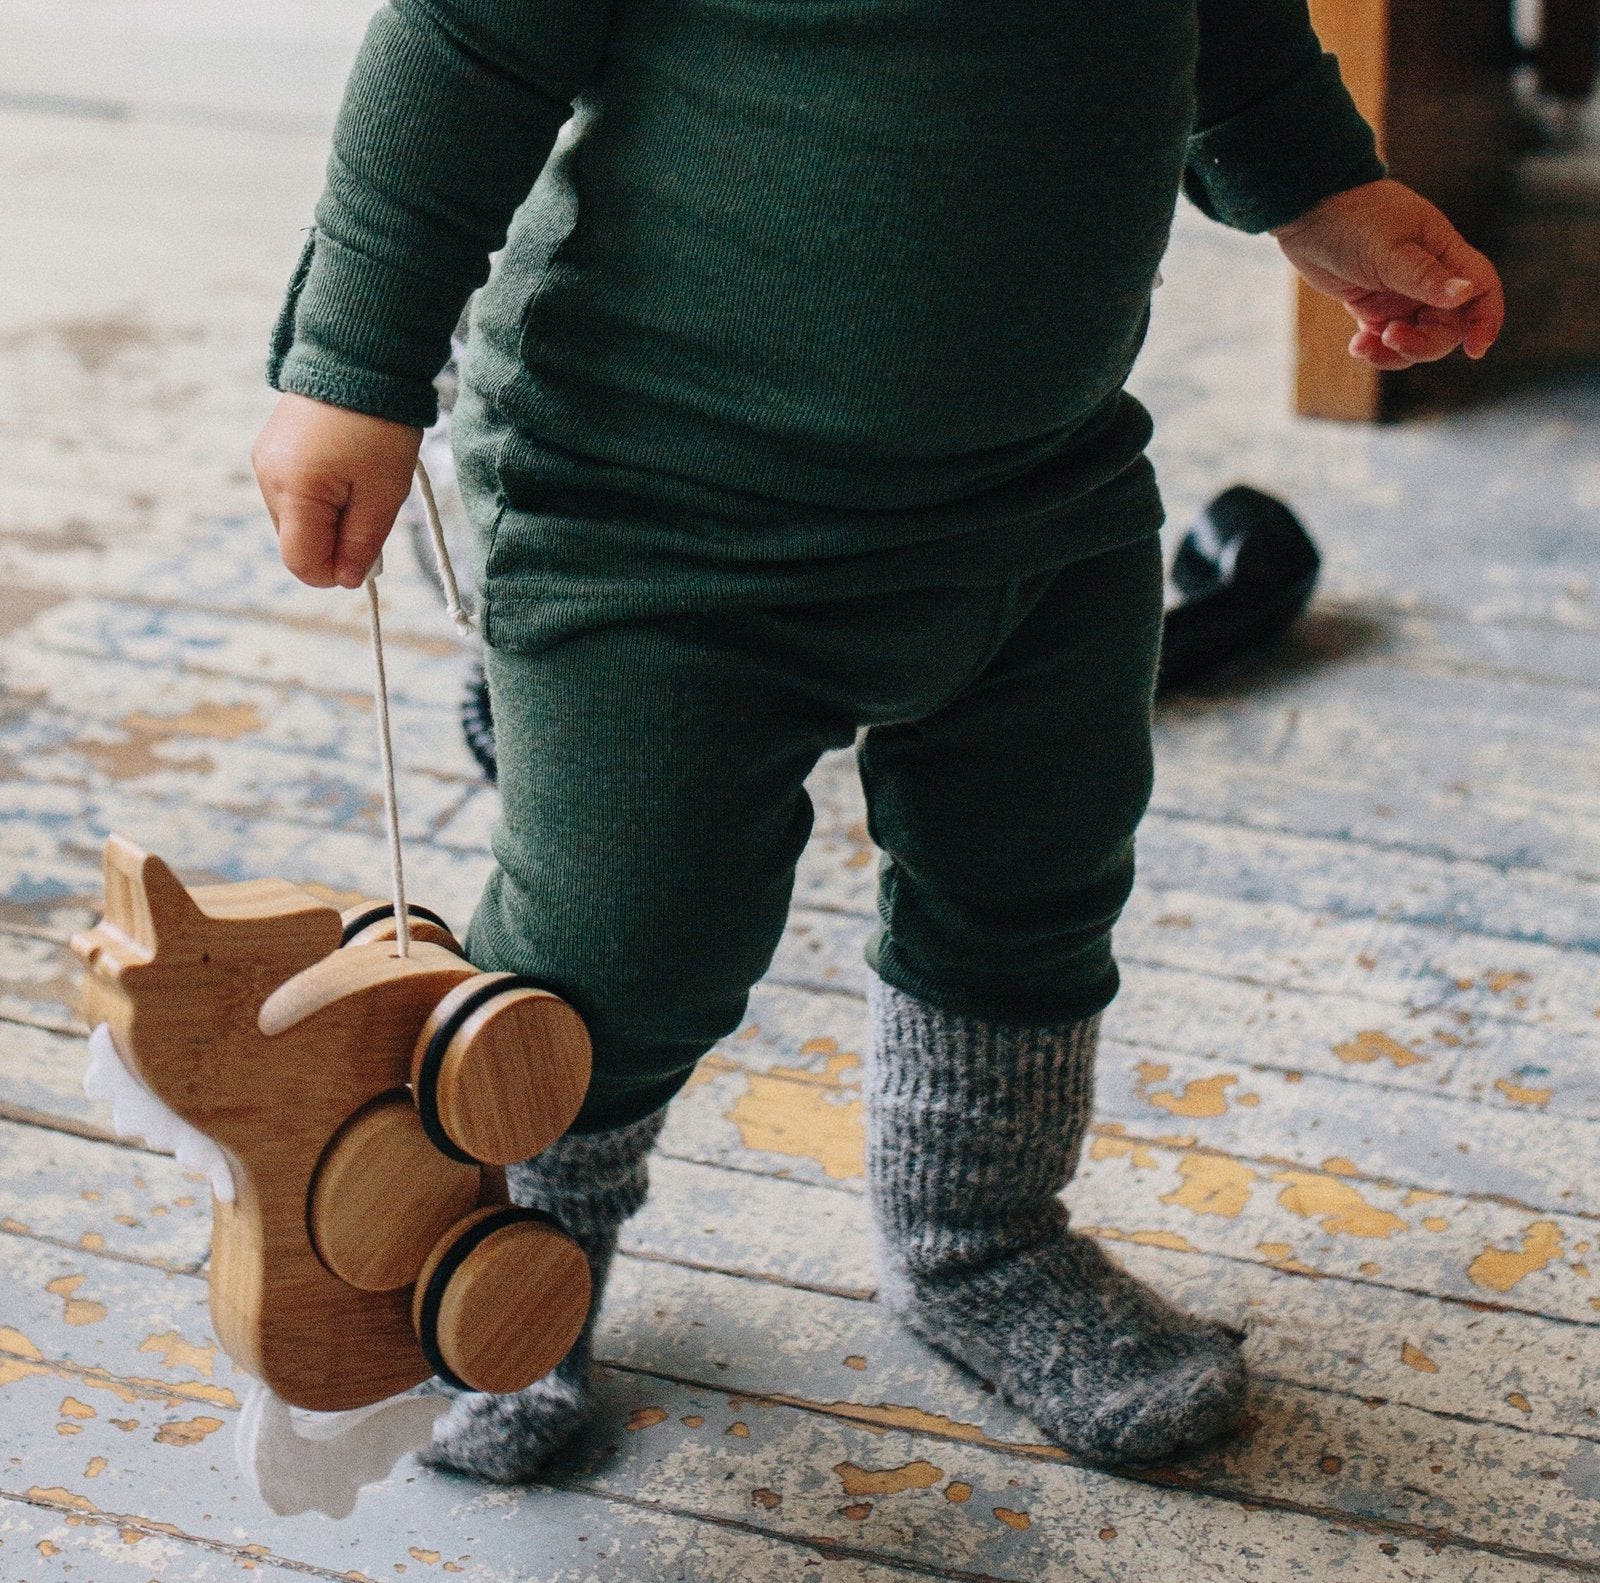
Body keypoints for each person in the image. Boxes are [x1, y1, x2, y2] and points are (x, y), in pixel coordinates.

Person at [252, 0, 1504, 1481]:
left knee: (1034, 873)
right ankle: (505, 1246)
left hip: (1037, 486)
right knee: (629, 927)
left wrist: (1322, 186)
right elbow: (461, 51)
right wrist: (351, 365)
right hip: (656, 499)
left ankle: (980, 1238)